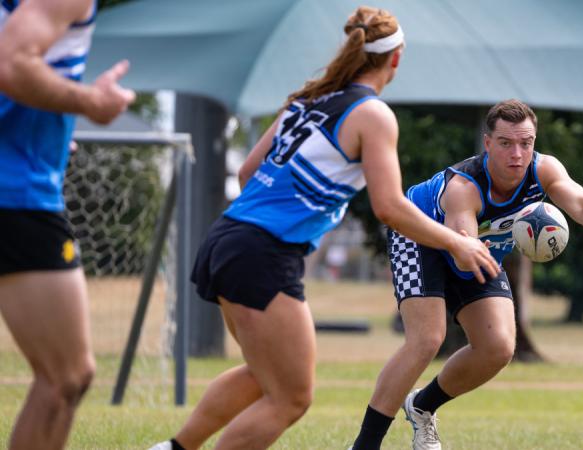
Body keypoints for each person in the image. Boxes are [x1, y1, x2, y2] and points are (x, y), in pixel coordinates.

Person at [148, 6, 499, 450]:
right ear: (395, 58)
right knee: (290, 398)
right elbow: (389, 207)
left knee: (264, 375)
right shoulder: (373, 115)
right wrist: (456, 243)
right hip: (262, 252)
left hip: (227, 238)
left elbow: (248, 173)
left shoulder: (307, 101)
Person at [350, 99, 583, 450]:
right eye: (506, 143)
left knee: (498, 348)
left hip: (474, 250)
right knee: (427, 340)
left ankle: (422, 406)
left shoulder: (544, 170)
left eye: (526, 143)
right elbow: (463, 253)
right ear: (488, 143)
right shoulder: (464, 188)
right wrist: (475, 248)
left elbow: (582, 205)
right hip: (419, 238)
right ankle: (364, 446)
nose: (517, 154)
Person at [0, 0, 135, 449]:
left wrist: (51, 123)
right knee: (67, 376)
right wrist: (91, 102)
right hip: (14, 195)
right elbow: (12, 64)